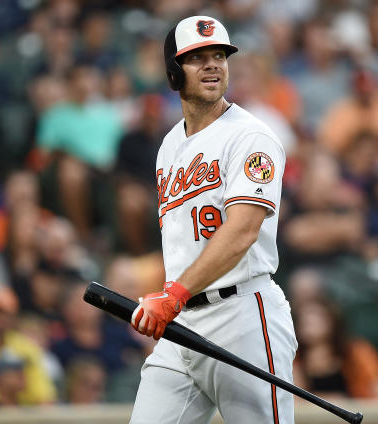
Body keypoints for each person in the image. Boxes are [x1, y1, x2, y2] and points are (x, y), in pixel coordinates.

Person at [128, 16, 296, 424]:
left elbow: (241, 231)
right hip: (183, 321)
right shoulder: (169, 144)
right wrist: (173, 297)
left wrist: (174, 295)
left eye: (219, 55)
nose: (212, 65)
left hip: (242, 315)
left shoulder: (251, 137)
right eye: (197, 57)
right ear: (173, 72)